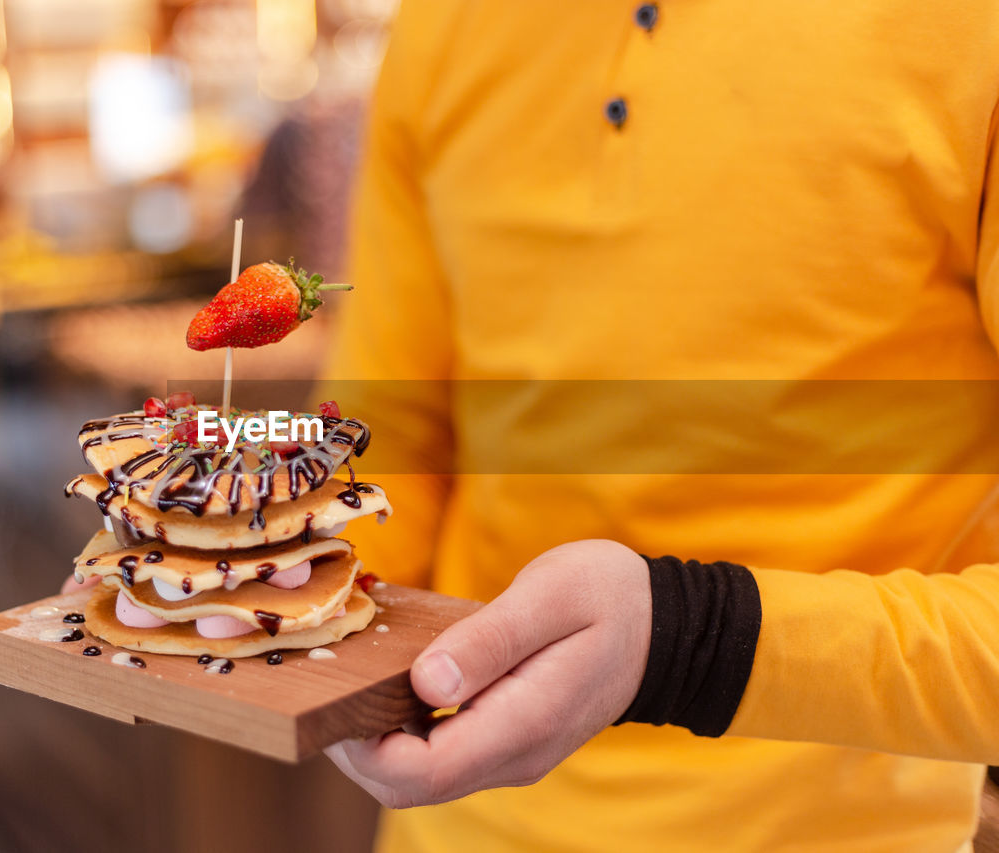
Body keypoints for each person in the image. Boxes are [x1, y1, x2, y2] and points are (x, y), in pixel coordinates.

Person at [319, 2, 999, 851]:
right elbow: (389, 443)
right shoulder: (444, 23)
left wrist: (683, 637)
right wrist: (298, 593)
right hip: (455, 821)